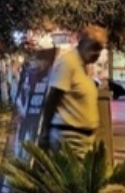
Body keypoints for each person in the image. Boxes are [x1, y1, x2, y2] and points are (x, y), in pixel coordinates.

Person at [37, 25, 108, 157]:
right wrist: (44, 132)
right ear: (82, 42)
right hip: (69, 140)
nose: (96, 54)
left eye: (100, 49)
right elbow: (52, 98)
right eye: (94, 47)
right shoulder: (68, 63)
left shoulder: (83, 66)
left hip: (83, 141)